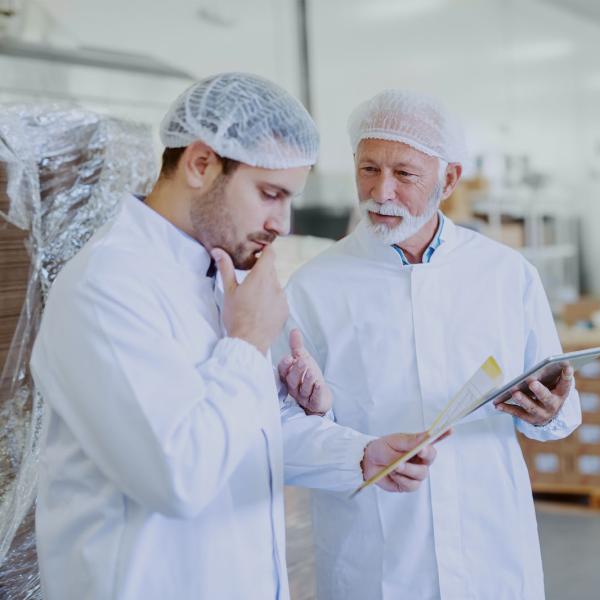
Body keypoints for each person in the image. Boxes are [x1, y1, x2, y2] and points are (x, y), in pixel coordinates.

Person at [30, 74, 438, 600]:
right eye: (270, 194)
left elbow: (241, 435)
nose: (282, 223)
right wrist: (245, 345)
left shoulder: (220, 277)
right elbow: (178, 475)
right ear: (202, 164)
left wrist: (358, 455)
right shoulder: (106, 287)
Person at [275, 89, 581, 600]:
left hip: (491, 548)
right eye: (368, 169)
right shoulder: (312, 287)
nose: (382, 191)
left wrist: (548, 411)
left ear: (449, 178)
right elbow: (279, 427)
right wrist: (357, 451)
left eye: (405, 174)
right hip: (375, 554)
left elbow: (559, 411)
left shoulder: (506, 275)